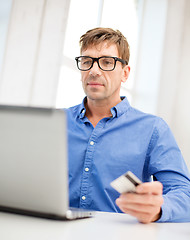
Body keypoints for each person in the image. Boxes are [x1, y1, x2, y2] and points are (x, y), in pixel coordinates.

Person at [65, 27, 190, 223]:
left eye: (107, 62)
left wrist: (158, 209)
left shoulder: (153, 129)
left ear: (125, 73)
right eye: (87, 61)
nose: (94, 71)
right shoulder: (56, 122)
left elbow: (185, 195)